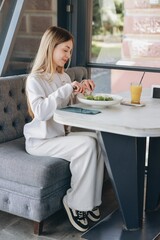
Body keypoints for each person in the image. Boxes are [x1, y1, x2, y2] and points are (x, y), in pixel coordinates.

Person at [23, 26, 106, 232]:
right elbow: (41, 112)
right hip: (40, 142)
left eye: (70, 51)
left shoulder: (64, 77)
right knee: (86, 145)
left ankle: (91, 201)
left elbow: (70, 106)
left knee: (100, 138)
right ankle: (75, 202)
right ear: (51, 48)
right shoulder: (35, 79)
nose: (68, 56)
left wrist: (82, 92)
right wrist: (67, 89)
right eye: (65, 50)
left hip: (59, 135)